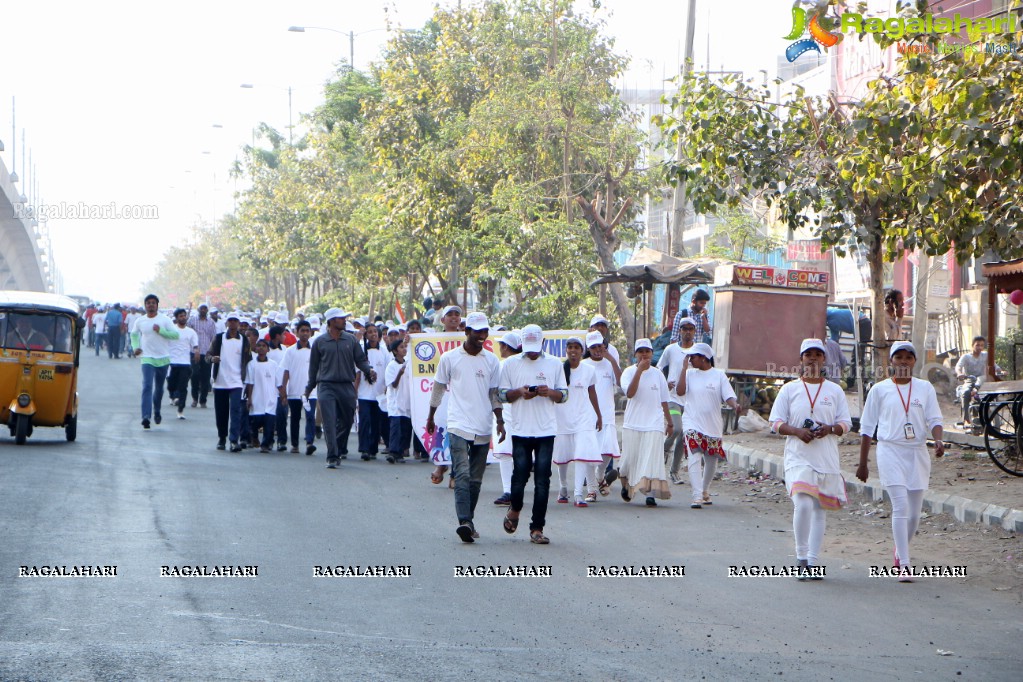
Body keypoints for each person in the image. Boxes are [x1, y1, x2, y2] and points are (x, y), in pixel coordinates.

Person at [857, 341, 944, 581]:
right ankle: (904, 564)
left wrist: (938, 440)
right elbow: (867, 428)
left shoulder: (924, 388)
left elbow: (935, 418)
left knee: (915, 514)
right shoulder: (880, 389)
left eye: (908, 357)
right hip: (889, 450)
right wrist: (863, 463)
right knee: (900, 507)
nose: (904, 361)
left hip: (916, 452)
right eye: (899, 357)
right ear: (891, 361)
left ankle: (899, 549)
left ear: (914, 361)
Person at [769, 339, 852, 580]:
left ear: (825, 359)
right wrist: (796, 431)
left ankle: (813, 562)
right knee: (803, 503)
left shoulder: (834, 391)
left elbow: (846, 423)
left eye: (818, 354)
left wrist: (830, 429)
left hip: (826, 458)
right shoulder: (789, 389)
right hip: (798, 457)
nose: (813, 358)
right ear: (801, 359)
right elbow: (775, 422)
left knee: (819, 509)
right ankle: (801, 557)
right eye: (809, 354)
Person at [427, 312, 503, 543]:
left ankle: (469, 520)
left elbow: (494, 394)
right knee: (462, 473)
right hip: (458, 424)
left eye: (485, 331)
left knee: (476, 480)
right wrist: (431, 416)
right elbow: (438, 388)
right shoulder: (450, 358)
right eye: (477, 331)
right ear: (466, 331)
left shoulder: (491, 361)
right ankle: (464, 521)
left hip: (482, 425)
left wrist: (500, 419)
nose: (482, 335)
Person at [499, 324, 568, 544]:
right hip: (520, 429)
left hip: (546, 430)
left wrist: (550, 392)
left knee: (543, 479)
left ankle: (537, 527)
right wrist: (520, 392)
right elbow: (502, 395)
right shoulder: (510, 364)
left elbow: (564, 395)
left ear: (543, 343)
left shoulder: (554, 364)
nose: (532, 351)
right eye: (528, 347)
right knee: (519, 476)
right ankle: (515, 508)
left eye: (535, 347)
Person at [306, 308, 376, 469]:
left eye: (344, 318)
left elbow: (360, 359)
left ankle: (336, 445)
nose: (344, 321)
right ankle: (332, 455)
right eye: (340, 318)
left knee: (348, 419)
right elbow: (313, 368)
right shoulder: (320, 342)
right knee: (329, 421)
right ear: (331, 321)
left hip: (346, 385)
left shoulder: (351, 340)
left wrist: (369, 370)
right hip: (326, 386)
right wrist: (309, 388)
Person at [676, 342, 742, 508]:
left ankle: (705, 490)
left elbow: (728, 396)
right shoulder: (690, 374)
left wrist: (735, 405)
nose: (690, 360)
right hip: (692, 421)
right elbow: (680, 391)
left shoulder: (719, 375)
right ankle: (696, 495)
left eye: (693, 357)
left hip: (712, 425)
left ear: (704, 358)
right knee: (694, 455)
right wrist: (683, 369)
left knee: (711, 460)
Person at [617, 338, 673, 507]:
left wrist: (669, 422)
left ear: (651, 353)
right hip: (633, 423)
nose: (644, 354)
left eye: (647, 351)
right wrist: (639, 372)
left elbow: (664, 400)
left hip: (654, 423)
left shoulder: (658, 374)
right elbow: (631, 393)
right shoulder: (628, 372)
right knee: (629, 461)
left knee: (651, 459)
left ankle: (650, 494)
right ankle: (625, 482)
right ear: (635, 354)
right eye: (640, 351)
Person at [553, 336, 603, 507]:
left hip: (583, 418)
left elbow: (592, 393)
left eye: (576, 347)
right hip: (562, 417)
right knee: (563, 456)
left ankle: (578, 494)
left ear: (582, 351)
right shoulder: (558, 370)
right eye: (570, 347)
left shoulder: (589, 370)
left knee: (582, 454)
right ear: (566, 350)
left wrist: (599, 415)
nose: (573, 351)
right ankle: (563, 488)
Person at [130, 294, 179, 429]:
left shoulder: (165, 320)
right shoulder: (140, 321)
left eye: (153, 303)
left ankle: (157, 410)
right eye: (148, 303)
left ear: (157, 305)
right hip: (147, 358)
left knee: (159, 388)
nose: (151, 305)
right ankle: (146, 416)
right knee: (147, 386)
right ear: (145, 306)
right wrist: (135, 347)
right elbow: (134, 334)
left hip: (163, 358)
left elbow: (175, 335)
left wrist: (161, 331)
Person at [657, 316, 697, 484]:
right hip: (673, 398)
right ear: (679, 331)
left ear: (694, 332)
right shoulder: (671, 349)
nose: (687, 332)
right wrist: (665, 382)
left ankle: (674, 472)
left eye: (690, 329)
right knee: (677, 428)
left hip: (691, 401)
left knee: (684, 436)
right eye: (684, 329)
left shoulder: (699, 351)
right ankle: (663, 451)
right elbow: (659, 368)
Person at [584, 332, 622, 495]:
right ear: (588, 349)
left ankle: (600, 475)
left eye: (600, 346)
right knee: (589, 453)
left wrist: (612, 360)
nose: (597, 349)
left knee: (608, 450)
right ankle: (592, 489)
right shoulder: (583, 364)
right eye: (593, 347)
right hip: (588, 415)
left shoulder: (609, 363)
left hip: (607, 414)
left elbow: (621, 383)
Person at [208, 311, 252, 452]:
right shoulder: (219, 338)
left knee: (236, 410)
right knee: (221, 412)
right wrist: (212, 359)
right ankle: (222, 438)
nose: (233, 323)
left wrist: (247, 379)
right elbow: (208, 355)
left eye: (235, 321)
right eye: (230, 321)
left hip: (237, 381)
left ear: (239, 324)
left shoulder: (244, 340)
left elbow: (248, 358)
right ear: (227, 323)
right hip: (220, 380)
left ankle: (234, 440)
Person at [492, 331, 522, 506]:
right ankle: (512, 491)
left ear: (506, 347)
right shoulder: (520, 364)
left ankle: (509, 491)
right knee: (515, 455)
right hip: (519, 414)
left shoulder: (503, 365)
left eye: (501, 345)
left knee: (505, 454)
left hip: (506, 413)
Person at [281, 320, 317, 455]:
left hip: (310, 392)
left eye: (307, 331)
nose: (305, 333)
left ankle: (309, 443)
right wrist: (283, 389)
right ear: (297, 332)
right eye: (302, 330)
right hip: (294, 391)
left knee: (310, 417)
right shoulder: (290, 351)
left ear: (310, 332)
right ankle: (295, 444)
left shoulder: (315, 350)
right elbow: (285, 371)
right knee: (295, 418)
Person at [355, 323, 389, 461]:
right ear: (366, 335)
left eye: (375, 331)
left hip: (379, 393)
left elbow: (388, 370)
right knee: (364, 421)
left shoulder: (384, 351)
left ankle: (373, 448)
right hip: (364, 393)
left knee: (376, 421)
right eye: (370, 332)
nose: (373, 334)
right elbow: (357, 371)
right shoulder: (362, 350)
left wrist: (387, 387)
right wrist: (355, 391)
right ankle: (364, 448)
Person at [246, 339, 283, 453]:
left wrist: (283, 396)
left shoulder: (273, 365)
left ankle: (266, 444)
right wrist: (249, 398)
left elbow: (278, 383)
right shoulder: (251, 364)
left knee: (269, 423)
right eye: (259, 346)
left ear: (267, 349)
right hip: (257, 398)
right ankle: (254, 437)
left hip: (270, 398)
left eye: (264, 346)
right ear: (255, 349)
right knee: (255, 422)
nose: (261, 348)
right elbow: (250, 383)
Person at [955, 336, 1000, 426]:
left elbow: (994, 365)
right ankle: (966, 418)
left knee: (983, 380)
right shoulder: (966, 357)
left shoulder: (986, 355)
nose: (980, 347)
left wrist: (1000, 371)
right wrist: (959, 373)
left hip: (982, 381)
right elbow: (958, 367)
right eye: (977, 345)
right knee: (965, 392)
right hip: (969, 379)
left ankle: (990, 418)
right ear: (972, 346)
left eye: (982, 345)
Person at [167, 308, 199, 420]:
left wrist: (196, 351)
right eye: (180, 316)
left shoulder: (191, 332)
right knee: (171, 385)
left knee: (183, 387)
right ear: (176, 318)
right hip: (172, 362)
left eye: (184, 315)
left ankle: (181, 409)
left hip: (185, 363)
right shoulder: (171, 330)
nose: (183, 317)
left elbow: (195, 345)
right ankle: (172, 395)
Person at [384, 337, 412, 463]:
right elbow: (393, 385)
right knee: (396, 428)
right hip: (395, 402)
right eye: (401, 347)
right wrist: (399, 374)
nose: (404, 349)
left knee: (405, 428)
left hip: (406, 400)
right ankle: (393, 451)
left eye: (404, 347)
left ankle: (401, 451)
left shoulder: (408, 363)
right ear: (395, 351)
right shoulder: (392, 365)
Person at [188, 303, 217, 408]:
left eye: (205, 309)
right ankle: (195, 398)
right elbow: (187, 334)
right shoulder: (192, 320)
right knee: (194, 374)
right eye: (202, 308)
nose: (203, 310)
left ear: (207, 310)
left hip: (207, 352)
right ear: (198, 309)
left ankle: (203, 400)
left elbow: (214, 337)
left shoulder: (211, 322)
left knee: (206, 376)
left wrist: (213, 351)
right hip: (194, 351)